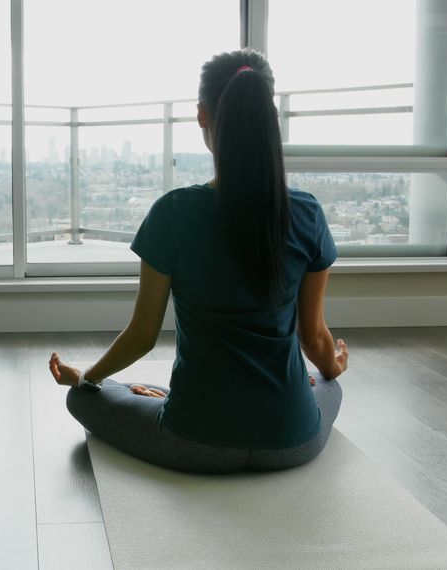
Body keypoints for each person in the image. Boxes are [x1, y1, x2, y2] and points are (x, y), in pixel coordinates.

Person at [48, 49, 348, 474]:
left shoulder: (173, 213)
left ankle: (154, 397)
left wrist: (87, 379)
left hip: (195, 440)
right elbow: (314, 338)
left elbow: (141, 337)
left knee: (81, 396)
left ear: (202, 115)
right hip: (292, 440)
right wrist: (334, 365)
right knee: (330, 385)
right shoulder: (307, 213)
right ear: (269, 117)